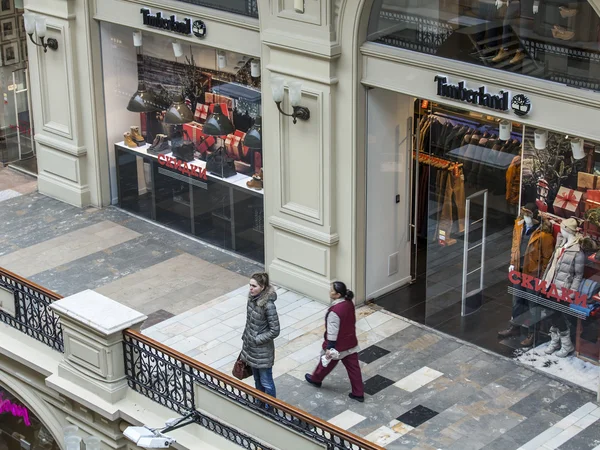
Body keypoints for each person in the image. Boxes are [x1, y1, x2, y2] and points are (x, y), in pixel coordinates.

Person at [305, 281, 365, 402]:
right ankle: (358, 393)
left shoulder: (335, 311)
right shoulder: (349, 303)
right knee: (354, 369)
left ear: (337, 295)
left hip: (337, 346)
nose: (329, 291)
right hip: (350, 342)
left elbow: (332, 332)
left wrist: (329, 347)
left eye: (331, 290)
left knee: (325, 363)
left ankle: (316, 379)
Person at [240, 272, 280, 398]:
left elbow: (275, 330)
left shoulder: (268, 305)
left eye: (254, 286)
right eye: (250, 285)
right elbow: (249, 323)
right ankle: (260, 403)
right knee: (257, 380)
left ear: (262, 287)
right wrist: (246, 338)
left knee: (266, 381)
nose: (251, 288)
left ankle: (270, 408)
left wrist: (257, 339)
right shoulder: (252, 300)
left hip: (262, 351)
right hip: (251, 348)